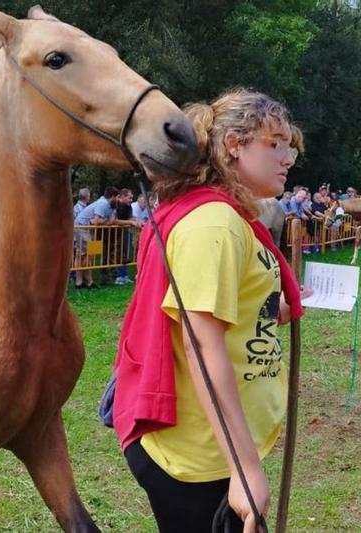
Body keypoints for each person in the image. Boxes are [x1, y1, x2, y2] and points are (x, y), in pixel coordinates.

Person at [113, 89, 303, 532]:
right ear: (235, 145)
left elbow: (220, 308)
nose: (288, 157)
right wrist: (244, 468)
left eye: (289, 145)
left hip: (210, 446)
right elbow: (200, 343)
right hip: (199, 456)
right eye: (274, 143)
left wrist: (267, 306)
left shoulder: (228, 218)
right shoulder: (214, 225)